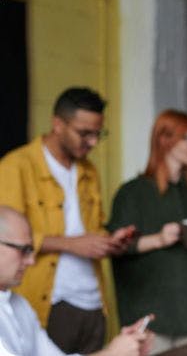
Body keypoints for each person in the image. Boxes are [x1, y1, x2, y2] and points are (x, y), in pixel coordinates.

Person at [0, 87, 136, 354]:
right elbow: (9, 234)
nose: (93, 142)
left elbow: (91, 229)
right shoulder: (16, 167)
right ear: (58, 124)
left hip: (93, 301)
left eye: (98, 134)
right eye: (85, 133)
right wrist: (72, 244)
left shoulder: (89, 171)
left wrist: (108, 243)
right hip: (50, 301)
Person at [108, 110, 187, 354]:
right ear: (165, 140)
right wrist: (159, 239)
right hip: (154, 321)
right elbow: (115, 246)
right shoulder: (133, 193)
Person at [0, 205, 153, 356]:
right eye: (24, 250)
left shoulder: (21, 306)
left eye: (31, 251)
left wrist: (123, 348)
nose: (31, 261)